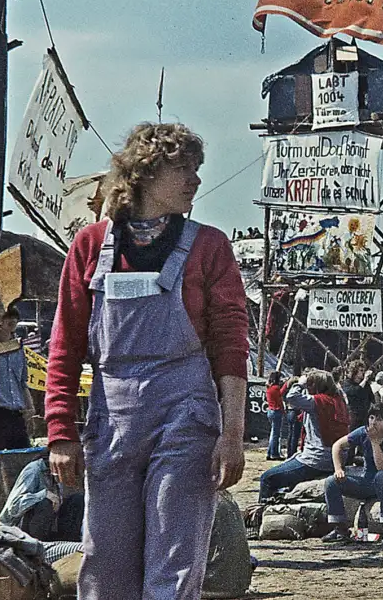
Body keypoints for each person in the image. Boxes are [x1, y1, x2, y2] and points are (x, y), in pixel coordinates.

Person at [45, 122, 249, 600]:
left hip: (185, 412)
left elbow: (230, 347)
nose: (195, 180)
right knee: (105, 564)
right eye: (183, 169)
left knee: (175, 563)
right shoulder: (91, 246)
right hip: (111, 417)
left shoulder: (209, 246)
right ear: (143, 174)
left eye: (197, 169)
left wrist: (232, 435)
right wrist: (60, 433)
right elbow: (65, 346)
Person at [258, 370, 349, 501]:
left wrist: (300, 383)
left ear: (316, 386)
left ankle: (260, 514)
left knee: (267, 478)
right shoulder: (339, 400)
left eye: (310, 385)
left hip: (317, 459)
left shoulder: (317, 402)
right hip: (337, 458)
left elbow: (291, 397)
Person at [322, 403, 383, 544]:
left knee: (382, 476)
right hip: (368, 482)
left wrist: (375, 443)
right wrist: (338, 469)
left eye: (379, 419)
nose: (373, 422)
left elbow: (382, 466)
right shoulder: (362, 432)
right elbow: (338, 445)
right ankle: (340, 529)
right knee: (332, 482)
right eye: (372, 417)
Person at [0, 305, 33, 451]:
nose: (12, 320)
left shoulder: (19, 349)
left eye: (14, 318)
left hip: (17, 412)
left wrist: (30, 408)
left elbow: (23, 382)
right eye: (7, 317)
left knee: (22, 453)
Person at [341, 361, 375, 431]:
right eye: (361, 370)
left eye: (364, 370)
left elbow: (372, 398)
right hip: (353, 416)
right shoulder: (347, 383)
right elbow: (355, 391)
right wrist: (365, 380)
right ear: (355, 371)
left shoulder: (366, 385)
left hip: (365, 415)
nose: (363, 372)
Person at [264, 372, 286, 461]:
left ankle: (270, 452)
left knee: (273, 433)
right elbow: (279, 400)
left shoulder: (269, 388)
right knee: (276, 434)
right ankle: (274, 453)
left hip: (270, 410)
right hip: (276, 411)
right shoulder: (276, 388)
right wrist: (283, 410)